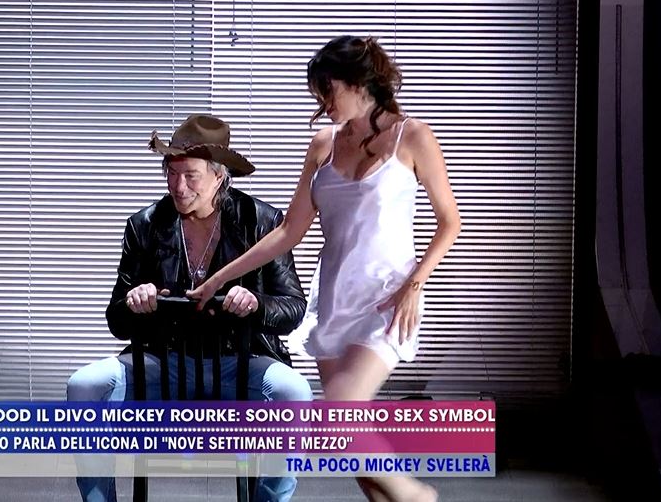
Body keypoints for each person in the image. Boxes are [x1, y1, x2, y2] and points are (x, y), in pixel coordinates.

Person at [187, 36, 461, 502]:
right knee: (352, 442)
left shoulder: (412, 137)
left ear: (358, 83)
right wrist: (218, 278)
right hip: (334, 301)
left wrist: (415, 285)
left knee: (340, 414)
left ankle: (418, 496)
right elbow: (289, 231)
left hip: (385, 300)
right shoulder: (323, 144)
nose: (322, 102)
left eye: (327, 90)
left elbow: (449, 222)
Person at [66, 114, 313, 502]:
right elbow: (116, 319)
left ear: (219, 175)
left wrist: (256, 304)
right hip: (161, 363)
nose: (178, 187)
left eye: (191, 176)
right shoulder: (145, 225)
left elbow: (293, 307)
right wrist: (136, 302)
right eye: (171, 173)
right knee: (84, 385)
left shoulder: (262, 221)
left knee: (294, 391)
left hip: (241, 362)